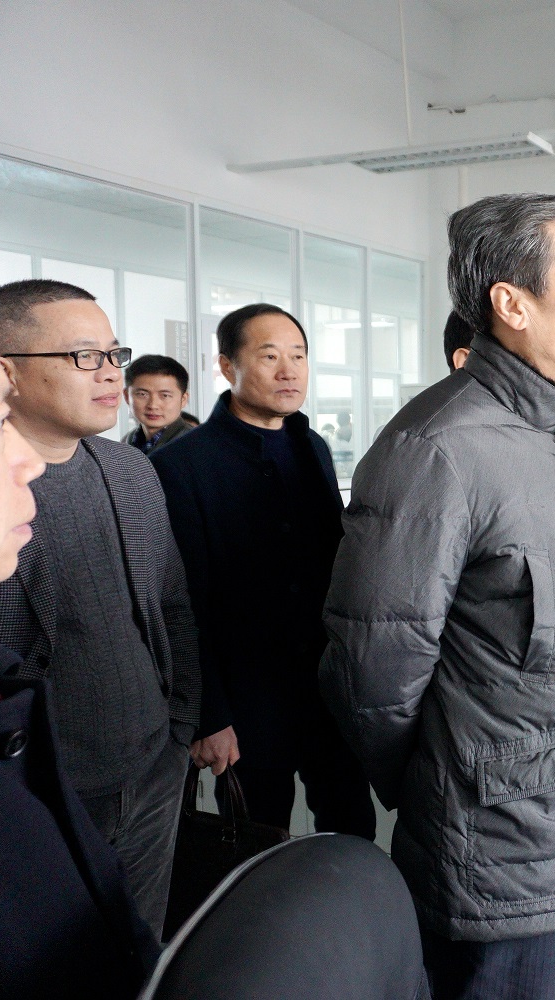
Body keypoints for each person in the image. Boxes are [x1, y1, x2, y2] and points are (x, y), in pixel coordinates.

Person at [320, 192, 555, 1000]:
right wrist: (449, 786)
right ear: (512, 305)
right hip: (503, 861)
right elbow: (372, 676)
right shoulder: (435, 450)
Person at [0, 279, 200, 943]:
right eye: (84, 356)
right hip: (40, 786)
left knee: (141, 949)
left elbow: (170, 603)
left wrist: (180, 726)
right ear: (6, 370)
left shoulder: (130, 471)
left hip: (150, 766)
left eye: (114, 354)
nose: (111, 374)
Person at [151, 303, 375, 841]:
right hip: (245, 701)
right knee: (256, 844)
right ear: (227, 366)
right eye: (270, 356)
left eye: (298, 356)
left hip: (326, 689)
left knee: (351, 831)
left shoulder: (312, 446)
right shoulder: (181, 466)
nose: (288, 371)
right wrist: (209, 716)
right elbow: (181, 601)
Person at [124, 353, 193, 455]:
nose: (153, 405)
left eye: (165, 395)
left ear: (183, 399)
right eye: (142, 394)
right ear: (127, 396)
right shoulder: (126, 442)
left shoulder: (195, 444)